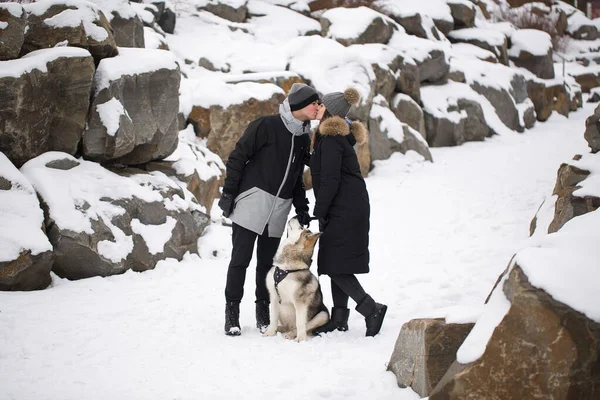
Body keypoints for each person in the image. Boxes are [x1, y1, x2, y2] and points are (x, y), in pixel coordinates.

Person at [218, 83, 320, 336]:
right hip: (251, 203)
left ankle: (263, 313)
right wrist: (229, 192)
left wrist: (301, 206)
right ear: (298, 105)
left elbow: (297, 177)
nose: (318, 108)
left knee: (266, 265)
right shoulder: (266, 125)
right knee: (239, 260)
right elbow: (237, 157)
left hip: (278, 210)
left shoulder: (303, 138)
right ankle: (232, 314)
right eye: (314, 103)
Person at [310, 88, 387, 337]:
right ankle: (340, 318)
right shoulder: (333, 138)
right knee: (337, 261)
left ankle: (371, 308)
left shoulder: (331, 139)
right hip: (347, 205)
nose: (317, 106)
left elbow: (330, 179)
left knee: (334, 264)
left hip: (343, 207)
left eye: (321, 104)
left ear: (329, 111)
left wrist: (319, 209)